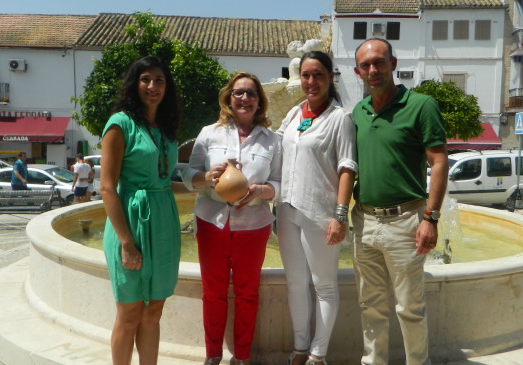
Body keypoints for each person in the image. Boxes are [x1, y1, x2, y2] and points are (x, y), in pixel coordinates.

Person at [351, 38, 448, 365]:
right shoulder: (358, 112)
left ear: (393, 64)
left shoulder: (421, 105)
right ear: (357, 71)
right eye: (365, 65)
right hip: (364, 221)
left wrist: (430, 219)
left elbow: (438, 162)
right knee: (370, 305)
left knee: (409, 308)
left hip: (407, 221)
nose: (373, 70)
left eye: (379, 62)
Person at [182, 72, 281, 365]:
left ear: (259, 101)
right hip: (211, 221)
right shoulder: (209, 133)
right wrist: (205, 177)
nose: (245, 98)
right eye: (239, 93)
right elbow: (188, 175)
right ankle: (213, 355)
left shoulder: (273, 141)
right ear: (229, 98)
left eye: (251, 94)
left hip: (254, 224)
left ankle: (243, 357)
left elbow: (281, 184)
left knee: (248, 293)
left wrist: (263, 190)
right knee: (213, 292)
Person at [100, 55, 187, 365]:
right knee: (129, 313)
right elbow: (107, 187)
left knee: (154, 311)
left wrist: (202, 183)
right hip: (130, 224)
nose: (153, 86)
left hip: (163, 223)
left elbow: (163, 183)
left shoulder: (164, 128)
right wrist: (126, 242)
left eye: (159, 80)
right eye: (146, 80)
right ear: (135, 84)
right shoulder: (120, 123)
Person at [275, 51, 357, 365]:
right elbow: (275, 146)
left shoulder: (340, 117)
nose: (311, 81)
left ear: (330, 78)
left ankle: (317, 354)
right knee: (295, 283)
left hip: (321, 213)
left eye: (318, 74)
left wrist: (340, 215)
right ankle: (299, 348)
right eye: (306, 75)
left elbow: (348, 167)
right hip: (287, 209)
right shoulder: (295, 112)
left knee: (324, 285)